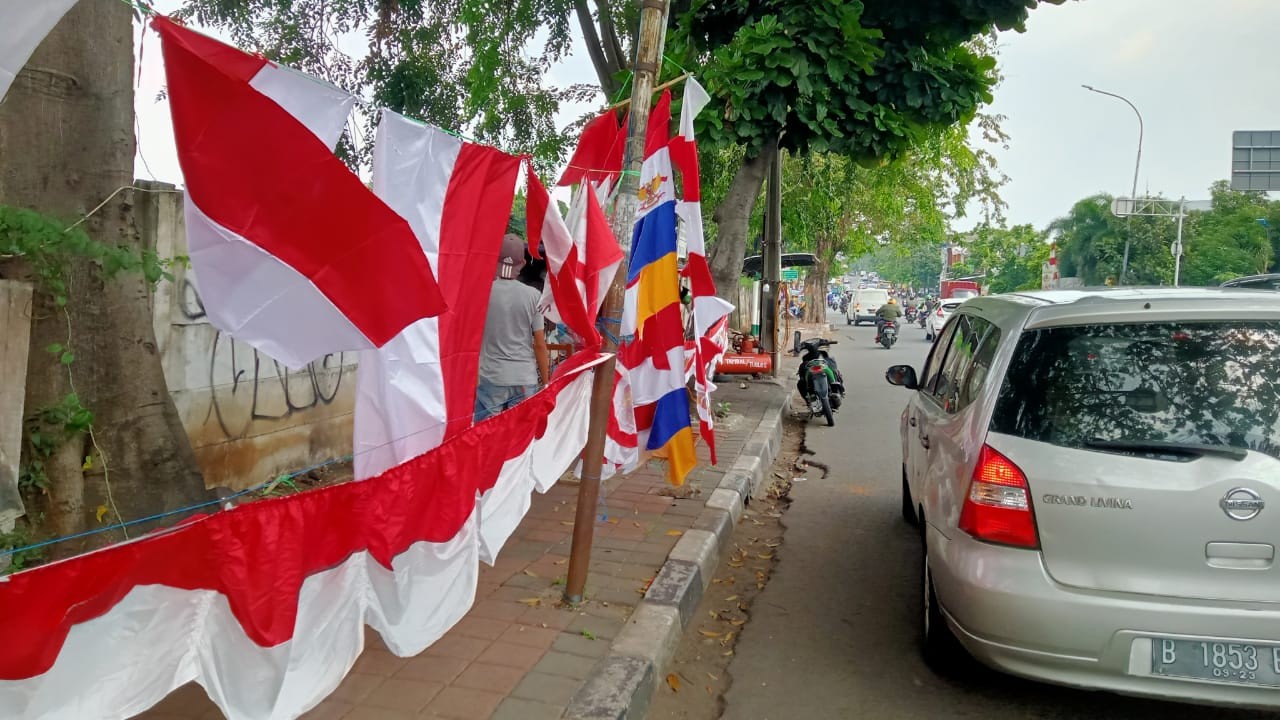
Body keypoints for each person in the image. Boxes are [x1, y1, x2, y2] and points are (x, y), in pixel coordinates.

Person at [474, 234, 551, 422]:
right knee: (521, 440)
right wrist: (547, 382)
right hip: (524, 377)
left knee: (486, 439)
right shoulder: (534, 295)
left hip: (491, 376)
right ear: (523, 263)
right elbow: (540, 344)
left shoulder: (481, 294)